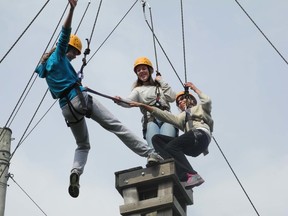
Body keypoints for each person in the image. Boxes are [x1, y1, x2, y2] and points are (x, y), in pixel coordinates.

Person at [35, 0, 163, 198]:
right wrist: (71, 9)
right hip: (79, 99)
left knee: (83, 145)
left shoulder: (45, 69)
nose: (76, 56)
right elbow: (65, 32)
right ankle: (150, 153)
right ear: (67, 49)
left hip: (66, 109)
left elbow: (56, 72)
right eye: (75, 53)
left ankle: (75, 172)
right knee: (116, 126)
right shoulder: (59, 56)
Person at [130, 82, 213, 189]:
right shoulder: (180, 117)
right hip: (193, 145)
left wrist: (194, 88)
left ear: (192, 100)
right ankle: (182, 173)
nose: (181, 102)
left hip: (201, 134)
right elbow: (164, 115)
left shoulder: (201, 109)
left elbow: (207, 100)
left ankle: (191, 174)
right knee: (157, 139)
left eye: (183, 99)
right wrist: (144, 106)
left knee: (171, 146)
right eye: (178, 102)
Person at [115, 57, 178, 149]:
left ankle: (168, 160)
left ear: (149, 70)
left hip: (166, 117)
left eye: (144, 68)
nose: (141, 71)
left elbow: (172, 97)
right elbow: (129, 102)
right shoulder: (138, 90)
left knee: (167, 145)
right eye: (138, 70)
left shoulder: (161, 87)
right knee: (154, 148)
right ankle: (154, 159)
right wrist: (120, 100)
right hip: (151, 119)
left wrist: (161, 81)